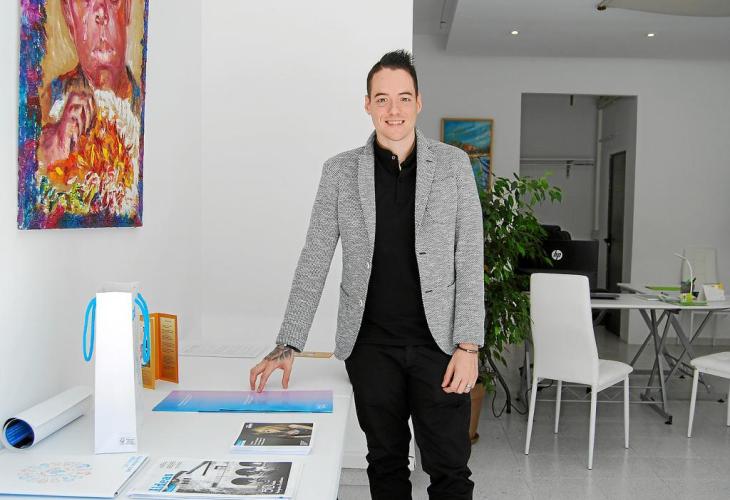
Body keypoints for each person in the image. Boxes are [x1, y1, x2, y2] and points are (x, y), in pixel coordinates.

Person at [250, 50, 484, 499]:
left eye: (403, 98)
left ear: (419, 102)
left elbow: (470, 258)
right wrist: (287, 343)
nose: (393, 110)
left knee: (450, 470)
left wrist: (468, 345)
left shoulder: (453, 166)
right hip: (371, 348)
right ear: (367, 105)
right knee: (385, 463)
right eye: (382, 99)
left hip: (440, 348)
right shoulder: (339, 172)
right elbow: (315, 258)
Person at [37, 0, 141, 218]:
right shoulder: (42, 110)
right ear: (69, 14)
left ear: (127, 8)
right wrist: (49, 151)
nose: (101, 12)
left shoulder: (145, 113)